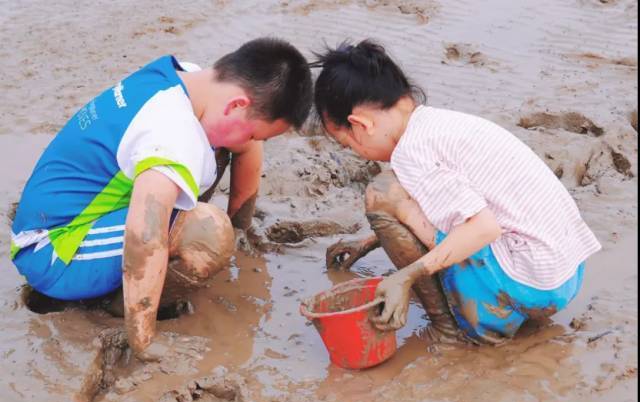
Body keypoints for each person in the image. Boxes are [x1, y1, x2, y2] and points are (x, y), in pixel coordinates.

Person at [11, 38, 313, 358]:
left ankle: (133, 278)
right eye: (255, 134)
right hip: (53, 249)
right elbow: (145, 237)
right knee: (207, 234)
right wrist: (144, 340)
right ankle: (114, 309)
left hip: (73, 210)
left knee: (226, 143)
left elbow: (246, 145)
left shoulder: (193, 80)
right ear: (236, 105)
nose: (253, 143)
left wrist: (242, 228)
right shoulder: (172, 133)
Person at [314, 40, 601, 344]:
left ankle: (450, 330)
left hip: (529, 285)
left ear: (360, 125)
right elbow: (468, 205)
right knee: (407, 194)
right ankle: (496, 300)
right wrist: (371, 241)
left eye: (349, 145)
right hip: (564, 277)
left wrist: (406, 276)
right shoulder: (441, 124)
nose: (360, 154)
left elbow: (483, 227)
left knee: (382, 193)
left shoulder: (412, 152)